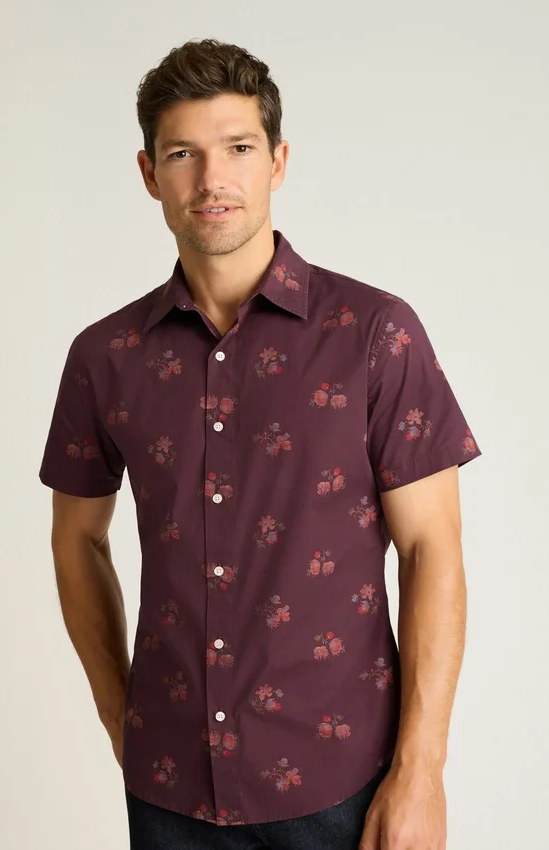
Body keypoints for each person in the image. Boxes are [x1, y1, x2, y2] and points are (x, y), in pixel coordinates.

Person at [38, 37, 482, 850]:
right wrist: (121, 718)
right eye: (183, 153)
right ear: (149, 174)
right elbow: (76, 541)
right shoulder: (105, 357)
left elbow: (432, 550)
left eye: (238, 148)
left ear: (277, 162)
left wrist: (421, 772)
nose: (212, 179)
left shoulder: (374, 334)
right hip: (168, 790)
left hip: (343, 784)